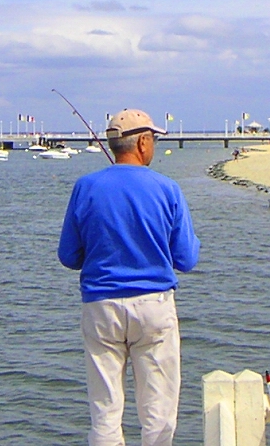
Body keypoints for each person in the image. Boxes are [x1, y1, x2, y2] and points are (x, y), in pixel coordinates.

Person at [58, 108, 201, 446]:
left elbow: (68, 256)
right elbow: (187, 259)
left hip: (101, 306)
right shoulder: (168, 189)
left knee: (105, 412)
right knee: (158, 413)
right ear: (142, 143)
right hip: (154, 306)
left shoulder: (86, 187)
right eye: (152, 140)